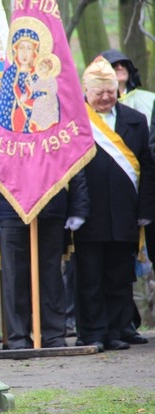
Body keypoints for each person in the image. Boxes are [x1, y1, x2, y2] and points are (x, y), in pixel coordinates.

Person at [0, 107, 89, 349]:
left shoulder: (57, 112)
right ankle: (18, 337)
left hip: (50, 206)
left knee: (50, 274)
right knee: (15, 276)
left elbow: (72, 157)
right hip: (11, 209)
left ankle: (52, 334)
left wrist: (76, 208)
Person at [74, 56, 155, 351]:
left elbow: (146, 167)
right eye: (99, 93)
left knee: (120, 275)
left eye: (110, 91)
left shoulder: (136, 120)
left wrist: (145, 211)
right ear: (86, 92)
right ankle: (93, 332)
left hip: (125, 211)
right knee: (90, 278)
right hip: (88, 214)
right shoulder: (76, 121)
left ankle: (119, 327)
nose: (106, 97)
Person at [101, 49, 154, 345]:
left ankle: (129, 324)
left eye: (123, 64)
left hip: (139, 194)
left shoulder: (146, 101)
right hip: (109, 203)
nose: (119, 68)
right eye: (112, 66)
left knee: (129, 269)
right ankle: (119, 323)